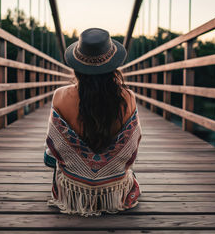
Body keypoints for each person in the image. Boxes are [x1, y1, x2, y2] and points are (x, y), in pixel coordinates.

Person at [43, 28, 142, 217]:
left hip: (74, 192)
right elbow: (131, 152)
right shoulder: (128, 97)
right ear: (114, 64)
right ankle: (111, 182)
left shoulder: (60, 96)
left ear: (76, 66)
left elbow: (53, 149)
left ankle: (78, 185)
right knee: (127, 167)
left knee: (49, 154)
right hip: (112, 191)